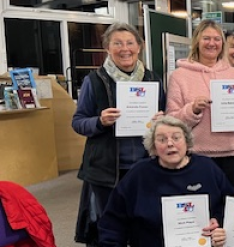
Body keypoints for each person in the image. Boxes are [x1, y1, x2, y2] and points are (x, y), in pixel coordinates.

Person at [72, 22, 166, 246]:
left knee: (143, 223)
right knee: (109, 226)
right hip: (107, 170)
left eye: (130, 43)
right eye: (117, 43)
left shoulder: (153, 79)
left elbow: (166, 116)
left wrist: (162, 121)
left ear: (139, 47)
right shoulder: (94, 81)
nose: (125, 49)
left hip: (145, 165)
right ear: (107, 48)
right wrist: (99, 121)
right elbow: (78, 122)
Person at [98, 116, 234, 247]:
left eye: (176, 138)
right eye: (162, 139)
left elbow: (229, 205)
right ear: (153, 147)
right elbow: (112, 222)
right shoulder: (138, 174)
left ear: (187, 142)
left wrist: (218, 223)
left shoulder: (207, 168)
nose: (170, 144)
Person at [166, 19, 234, 191]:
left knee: (230, 208)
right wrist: (192, 109)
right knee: (202, 209)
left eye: (217, 39)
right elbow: (171, 121)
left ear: (222, 43)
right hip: (197, 156)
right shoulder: (179, 76)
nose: (212, 43)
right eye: (206, 38)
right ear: (197, 41)